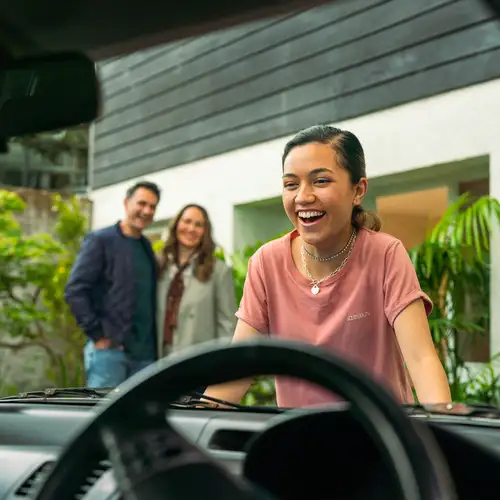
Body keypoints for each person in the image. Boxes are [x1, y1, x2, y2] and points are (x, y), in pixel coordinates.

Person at [203, 124, 451, 408]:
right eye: (291, 184)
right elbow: (239, 367)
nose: (303, 197)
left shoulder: (386, 254)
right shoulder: (266, 262)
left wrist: (445, 430)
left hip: (378, 439)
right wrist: (196, 418)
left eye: (320, 181)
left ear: (358, 190)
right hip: (302, 441)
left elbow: (421, 359)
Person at [64, 181, 161, 388]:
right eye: (141, 203)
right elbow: (75, 290)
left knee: (139, 419)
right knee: (105, 416)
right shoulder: (100, 240)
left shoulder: (147, 248)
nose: (146, 211)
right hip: (110, 353)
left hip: (145, 357)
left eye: (152, 207)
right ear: (126, 203)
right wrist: (97, 335)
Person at [156, 204, 237, 358]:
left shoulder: (219, 272)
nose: (191, 228)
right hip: (160, 363)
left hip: (199, 364)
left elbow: (227, 326)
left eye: (198, 225)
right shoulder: (160, 266)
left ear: (205, 232)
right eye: (187, 221)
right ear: (176, 225)